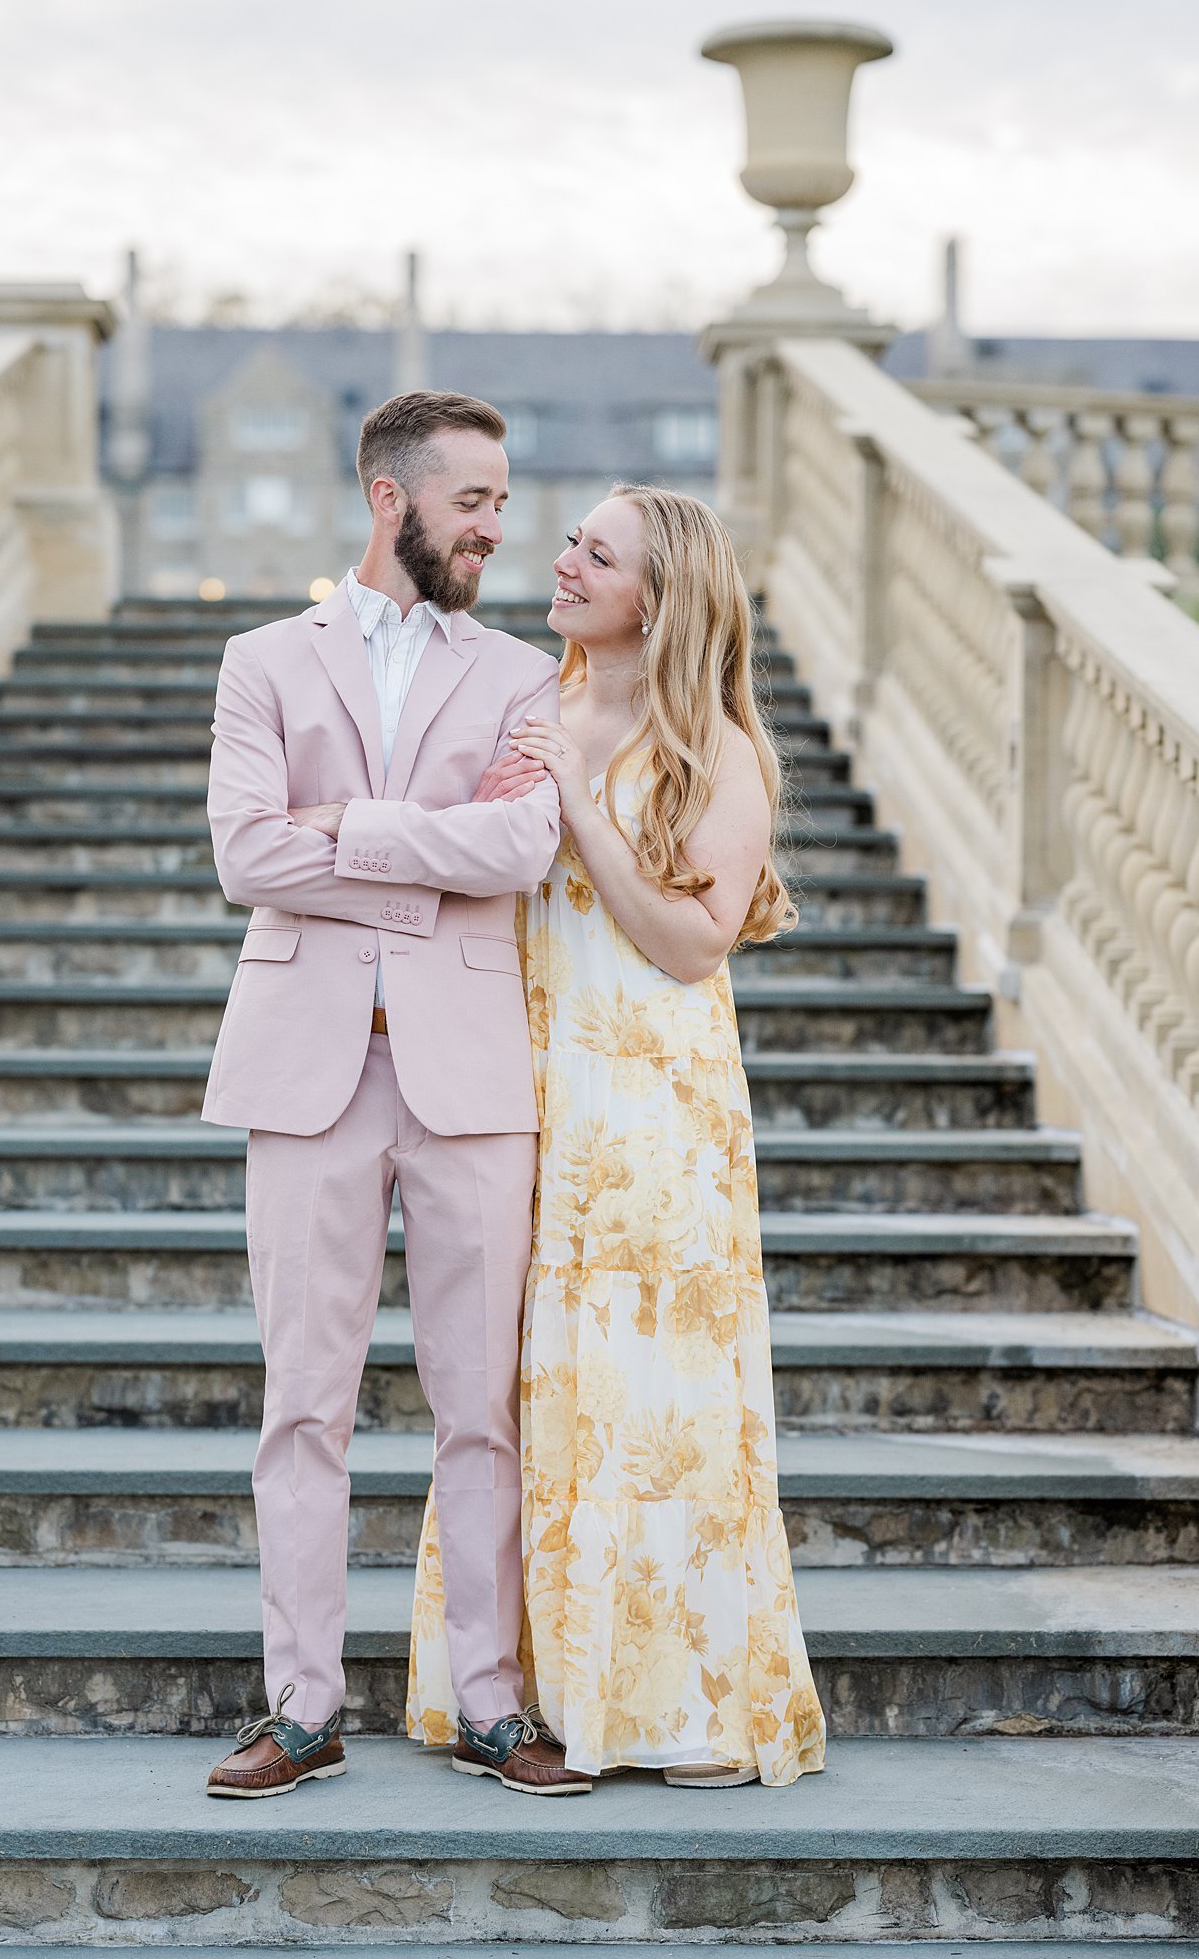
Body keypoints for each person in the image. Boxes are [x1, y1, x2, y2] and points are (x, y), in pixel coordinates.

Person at [407, 482, 827, 1787]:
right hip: (512, 1081)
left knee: (648, 1395)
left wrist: (583, 808)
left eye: (597, 552)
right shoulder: (514, 705)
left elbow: (693, 945)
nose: (564, 560)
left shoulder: (717, 746)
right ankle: (509, 1690)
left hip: (649, 1110)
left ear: (664, 594)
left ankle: (668, 1703)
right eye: (570, 541)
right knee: (509, 1384)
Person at [201, 390, 590, 1798]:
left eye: (499, 500)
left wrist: (351, 828)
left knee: (476, 1401)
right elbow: (246, 854)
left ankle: (490, 1702)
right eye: (473, 501)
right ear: (391, 499)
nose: (499, 527)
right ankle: (298, 1707)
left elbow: (524, 844)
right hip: (304, 1067)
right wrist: (430, 847)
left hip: (470, 1069)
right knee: (304, 1401)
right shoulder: (260, 661)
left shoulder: (520, 676)